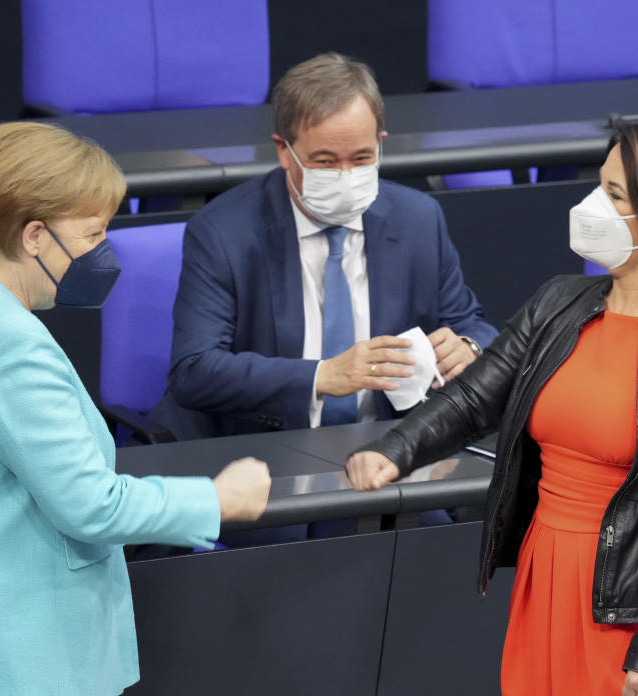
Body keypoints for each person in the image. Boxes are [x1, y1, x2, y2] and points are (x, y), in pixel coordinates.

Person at [347, 121, 638, 696]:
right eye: (602, 186)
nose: (593, 206)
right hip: (547, 580)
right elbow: (475, 398)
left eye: (616, 195)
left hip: (632, 599)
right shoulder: (560, 301)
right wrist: (395, 450)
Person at [0, 122, 271, 696]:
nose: (104, 252)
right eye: (93, 234)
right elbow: (91, 507)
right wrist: (216, 499)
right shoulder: (7, 342)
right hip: (1, 665)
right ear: (35, 235)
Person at [150, 52, 498, 440]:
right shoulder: (223, 231)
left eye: (361, 158)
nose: (346, 176)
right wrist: (322, 375)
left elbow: (472, 323)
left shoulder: (417, 219)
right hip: (264, 451)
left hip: (388, 446)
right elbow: (194, 371)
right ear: (284, 151)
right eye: (325, 162)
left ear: (380, 145)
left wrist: (468, 347)